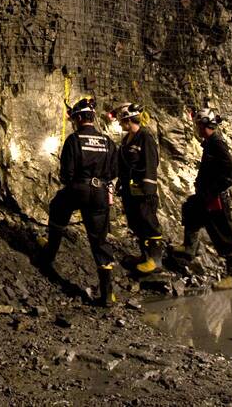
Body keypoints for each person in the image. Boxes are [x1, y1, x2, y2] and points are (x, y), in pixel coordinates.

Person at [34, 97, 119, 305]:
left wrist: (76, 185)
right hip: (100, 191)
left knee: (58, 207)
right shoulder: (107, 141)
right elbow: (114, 170)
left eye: (73, 119)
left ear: (79, 118)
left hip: (79, 188)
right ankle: (107, 294)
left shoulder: (74, 140)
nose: (73, 123)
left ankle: (49, 254)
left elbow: (66, 174)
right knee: (100, 240)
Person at [171, 108, 232, 290]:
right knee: (190, 209)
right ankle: (189, 247)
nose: (196, 128)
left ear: (203, 125)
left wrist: (214, 190)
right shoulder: (210, 143)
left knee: (223, 232)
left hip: (215, 197)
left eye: (197, 125)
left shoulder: (217, 144)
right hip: (206, 194)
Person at [114, 102, 164, 274]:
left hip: (143, 190)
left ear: (128, 120)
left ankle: (155, 260)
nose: (119, 123)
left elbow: (151, 163)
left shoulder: (145, 137)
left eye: (121, 120)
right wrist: (120, 182)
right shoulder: (126, 140)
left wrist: (148, 188)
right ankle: (145, 255)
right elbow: (124, 165)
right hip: (130, 190)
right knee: (136, 222)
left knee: (148, 221)